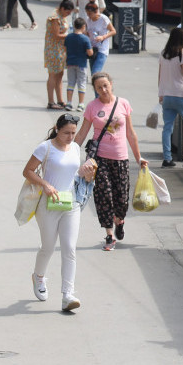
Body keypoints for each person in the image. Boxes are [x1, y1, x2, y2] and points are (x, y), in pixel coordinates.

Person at [77, 71, 149, 251]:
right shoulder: (92, 107)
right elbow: (83, 133)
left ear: (111, 84)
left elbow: (131, 134)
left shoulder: (123, 104)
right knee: (104, 196)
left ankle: (120, 220)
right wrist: (67, 151)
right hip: (99, 159)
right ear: (94, 89)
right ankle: (109, 235)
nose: (103, 89)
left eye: (105, 85)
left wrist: (138, 157)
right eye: (98, 87)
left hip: (121, 158)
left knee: (122, 198)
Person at [23, 113, 87, 312]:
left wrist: (87, 173)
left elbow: (74, 174)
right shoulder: (46, 148)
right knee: (48, 247)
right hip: (48, 204)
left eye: (73, 133)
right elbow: (28, 171)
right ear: (57, 130)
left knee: (69, 248)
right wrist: (46, 185)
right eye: (66, 132)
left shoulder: (76, 148)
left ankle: (68, 294)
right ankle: (39, 277)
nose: (70, 137)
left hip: (70, 203)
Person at [158, 27, 183, 167]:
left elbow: (160, 75)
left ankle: (167, 159)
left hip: (166, 95)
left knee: (167, 127)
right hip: (181, 94)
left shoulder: (163, 53)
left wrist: (160, 94)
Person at [44, 0, 74, 109]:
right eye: (67, 12)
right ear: (62, 9)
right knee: (53, 74)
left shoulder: (61, 16)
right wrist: (71, 35)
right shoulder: (55, 18)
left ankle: (60, 100)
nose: (68, 14)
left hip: (61, 49)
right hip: (53, 49)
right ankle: (51, 101)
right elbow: (56, 35)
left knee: (60, 75)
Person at [64, 17, 93, 110]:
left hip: (70, 63)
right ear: (83, 26)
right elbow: (90, 52)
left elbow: (65, 49)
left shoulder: (68, 37)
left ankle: (69, 102)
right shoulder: (85, 39)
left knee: (71, 83)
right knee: (81, 83)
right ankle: (80, 104)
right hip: (81, 63)